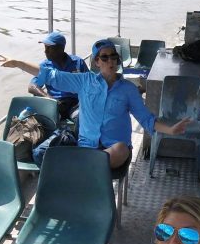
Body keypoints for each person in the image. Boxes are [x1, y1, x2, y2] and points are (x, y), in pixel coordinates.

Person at [28, 38, 190, 169]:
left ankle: (80, 170)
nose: (110, 60)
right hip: (87, 147)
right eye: (104, 57)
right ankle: (86, 171)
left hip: (113, 152)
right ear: (96, 62)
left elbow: (146, 119)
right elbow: (50, 75)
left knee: (121, 148)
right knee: (50, 154)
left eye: (114, 56)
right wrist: (18, 63)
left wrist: (170, 129)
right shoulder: (85, 81)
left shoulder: (128, 89)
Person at [0, 30, 89, 120]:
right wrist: (49, 98)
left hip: (75, 103)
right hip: (54, 104)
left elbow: (89, 85)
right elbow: (32, 86)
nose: (45, 51)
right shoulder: (45, 66)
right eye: (45, 47)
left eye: (49, 48)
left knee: (81, 118)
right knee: (39, 121)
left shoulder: (77, 62)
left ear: (60, 48)